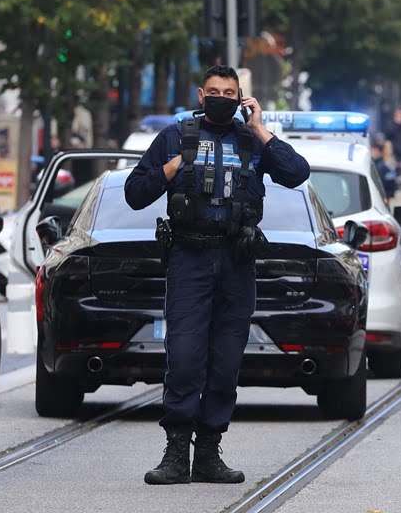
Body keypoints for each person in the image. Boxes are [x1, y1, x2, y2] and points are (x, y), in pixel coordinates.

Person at [125, 65, 310, 486]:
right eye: (214, 90)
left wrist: (261, 129)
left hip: (236, 261)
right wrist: (170, 170)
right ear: (201, 94)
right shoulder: (174, 136)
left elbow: (297, 173)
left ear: (242, 96)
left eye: (230, 91)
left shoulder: (252, 140)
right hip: (189, 259)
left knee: (226, 362)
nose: (222, 96)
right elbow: (135, 194)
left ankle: (208, 453)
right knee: (186, 358)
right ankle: (176, 454)